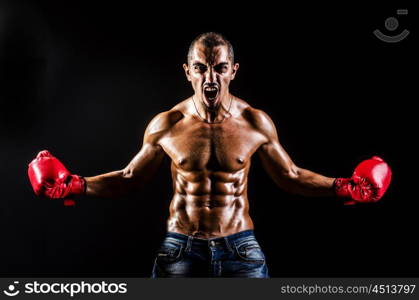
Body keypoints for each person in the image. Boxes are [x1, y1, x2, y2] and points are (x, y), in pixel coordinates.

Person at [27, 32, 392, 278]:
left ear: (233, 71)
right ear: (188, 72)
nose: (209, 78)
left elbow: (292, 176)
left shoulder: (255, 122)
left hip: (240, 248)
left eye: (218, 68)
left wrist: (344, 187)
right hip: (180, 249)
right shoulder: (167, 124)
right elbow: (129, 178)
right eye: (201, 68)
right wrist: (75, 186)